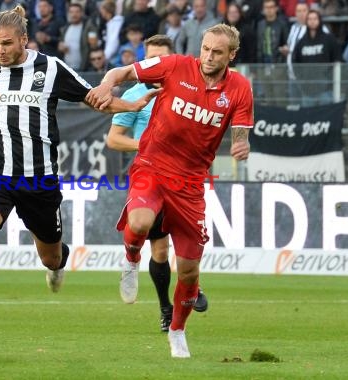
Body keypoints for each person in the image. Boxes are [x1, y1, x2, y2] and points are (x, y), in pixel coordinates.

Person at [0, 6, 157, 329]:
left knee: (51, 257)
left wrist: (130, 105)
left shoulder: (51, 69)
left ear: (24, 40)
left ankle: (58, 262)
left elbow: (91, 97)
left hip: (39, 183)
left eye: (7, 43)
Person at [87, 23, 253, 358]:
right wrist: (106, 84)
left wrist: (240, 145)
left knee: (190, 270)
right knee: (141, 221)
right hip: (152, 164)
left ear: (231, 55)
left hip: (191, 183)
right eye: (205, 48)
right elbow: (121, 72)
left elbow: (240, 132)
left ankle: (177, 330)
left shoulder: (239, 88)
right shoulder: (175, 65)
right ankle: (131, 259)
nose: (208, 56)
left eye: (217, 52)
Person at [106, 34, 208, 333]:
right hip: (151, 177)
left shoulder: (190, 90)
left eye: (159, 57)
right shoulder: (136, 93)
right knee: (161, 251)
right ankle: (166, 308)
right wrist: (150, 147)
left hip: (186, 179)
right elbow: (114, 139)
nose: (153, 63)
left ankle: (191, 284)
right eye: (148, 57)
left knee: (189, 243)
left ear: (170, 58)